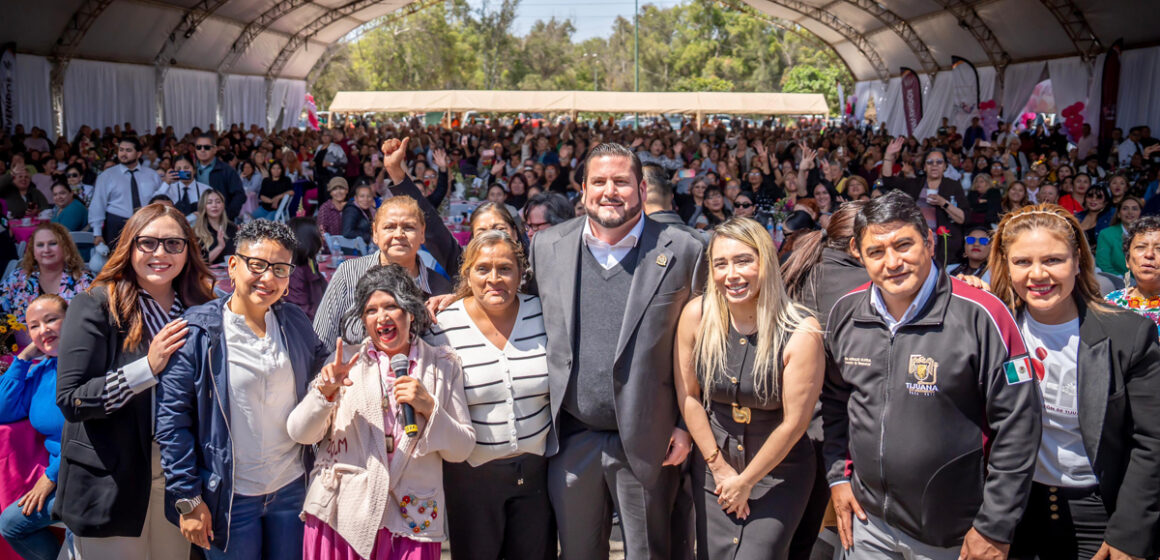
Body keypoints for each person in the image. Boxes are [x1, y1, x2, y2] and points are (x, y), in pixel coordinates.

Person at [822, 191, 1041, 559]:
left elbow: (1019, 424)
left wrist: (994, 525)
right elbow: (833, 401)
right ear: (858, 254)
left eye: (903, 245)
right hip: (868, 525)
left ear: (927, 241)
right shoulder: (846, 312)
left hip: (954, 535)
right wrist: (838, 476)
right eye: (876, 251)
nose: (892, 262)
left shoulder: (982, 314)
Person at [529, 142, 705, 559]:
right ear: (583, 190)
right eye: (600, 181)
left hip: (651, 442)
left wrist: (684, 423)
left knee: (649, 552)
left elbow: (702, 347)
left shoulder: (684, 250)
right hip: (573, 438)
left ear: (642, 189)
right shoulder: (548, 247)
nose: (610, 191)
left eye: (621, 181)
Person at [986, 205, 1160, 560]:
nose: (1037, 274)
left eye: (1053, 260)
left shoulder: (1129, 334)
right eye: (1022, 262)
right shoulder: (993, 329)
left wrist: (1130, 533)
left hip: (1101, 514)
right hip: (1015, 513)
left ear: (1078, 261)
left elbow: (1152, 440)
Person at [156, 220, 331, 559]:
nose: (268, 278)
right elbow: (171, 422)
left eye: (280, 269)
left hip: (291, 488)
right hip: (229, 498)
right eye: (258, 265)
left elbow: (323, 365)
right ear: (233, 267)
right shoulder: (197, 332)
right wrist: (188, 500)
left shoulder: (293, 321)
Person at [55, 203, 214, 558]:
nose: (161, 253)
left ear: (188, 250)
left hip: (180, 474)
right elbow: (72, 399)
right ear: (129, 246)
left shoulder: (201, 308)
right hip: (112, 477)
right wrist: (147, 367)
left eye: (174, 243)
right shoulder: (96, 305)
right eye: (148, 243)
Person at [287, 264, 475, 560]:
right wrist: (326, 392)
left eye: (391, 306)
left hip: (412, 521)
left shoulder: (442, 365)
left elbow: (462, 448)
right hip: (341, 518)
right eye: (371, 310)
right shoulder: (344, 364)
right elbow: (299, 431)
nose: (382, 317)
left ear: (411, 312)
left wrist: (428, 406)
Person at [674, 217, 824, 560]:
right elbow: (689, 396)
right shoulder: (696, 315)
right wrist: (719, 467)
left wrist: (745, 481)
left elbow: (795, 423)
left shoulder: (802, 330)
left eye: (744, 260)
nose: (732, 274)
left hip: (778, 472)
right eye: (721, 264)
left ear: (766, 262)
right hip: (714, 466)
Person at [423, 231, 553, 560]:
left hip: (537, 475)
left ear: (521, 273)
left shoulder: (544, 313)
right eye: (483, 269)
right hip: (471, 479)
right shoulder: (442, 326)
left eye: (505, 268)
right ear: (467, 274)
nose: (494, 279)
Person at [313, 138, 460, 353]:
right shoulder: (349, 274)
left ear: (422, 235)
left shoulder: (439, 288)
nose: (398, 234)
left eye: (408, 227)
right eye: (389, 227)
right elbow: (321, 344)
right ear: (375, 234)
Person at [0, 295, 68, 560]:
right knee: (10, 523)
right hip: (63, 474)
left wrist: (51, 476)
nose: (43, 330)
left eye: (51, 320)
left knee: (12, 524)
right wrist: (25, 357)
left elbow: (89, 433)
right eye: (34, 326)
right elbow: (4, 410)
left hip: (89, 473)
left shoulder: (89, 363)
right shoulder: (43, 370)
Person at [880, 139, 967, 266]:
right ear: (924, 167)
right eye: (930, 162)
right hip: (916, 244)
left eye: (939, 162)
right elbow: (888, 181)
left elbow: (963, 218)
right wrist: (888, 155)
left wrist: (944, 203)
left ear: (945, 167)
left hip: (944, 247)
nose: (934, 165)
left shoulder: (953, 186)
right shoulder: (916, 184)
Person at [0, 222, 94, 324]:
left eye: (53, 243)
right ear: (33, 251)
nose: (46, 250)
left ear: (66, 248)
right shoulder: (17, 278)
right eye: (40, 245)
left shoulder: (83, 281)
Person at [90, 137, 163, 248]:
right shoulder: (107, 176)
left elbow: (160, 199)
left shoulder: (152, 175)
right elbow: (98, 204)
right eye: (121, 150)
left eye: (128, 150)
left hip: (147, 225)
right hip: (116, 225)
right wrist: (97, 233)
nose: (123, 154)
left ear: (138, 154)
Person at [1105, 215, 1160, 327]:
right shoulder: (1112, 303)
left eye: (1159, 249)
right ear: (1127, 260)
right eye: (1140, 247)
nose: (1149, 254)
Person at [193, 134, 246, 219]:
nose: (202, 150)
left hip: (221, 221)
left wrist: (227, 216)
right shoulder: (191, 170)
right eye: (198, 147)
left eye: (206, 147)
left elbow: (239, 195)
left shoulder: (227, 170)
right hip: (197, 219)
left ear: (215, 149)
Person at [286, 217, 327, 320]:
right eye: (319, 234)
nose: (323, 238)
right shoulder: (294, 272)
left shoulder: (309, 262)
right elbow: (302, 311)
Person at [1095, 196, 1142, 276]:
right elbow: (1103, 265)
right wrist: (1125, 281)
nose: (1130, 212)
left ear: (1140, 213)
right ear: (1119, 214)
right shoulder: (1106, 234)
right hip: (1117, 281)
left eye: (1134, 209)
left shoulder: (1149, 235)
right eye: (1125, 208)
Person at [192, 189, 237, 265]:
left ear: (223, 205)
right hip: (209, 275)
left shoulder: (232, 228)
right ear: (203, 206)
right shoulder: (197, 231)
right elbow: (199, 263)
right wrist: (220, 246)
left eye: (218, 202)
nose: (214, 205)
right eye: (209, 202)